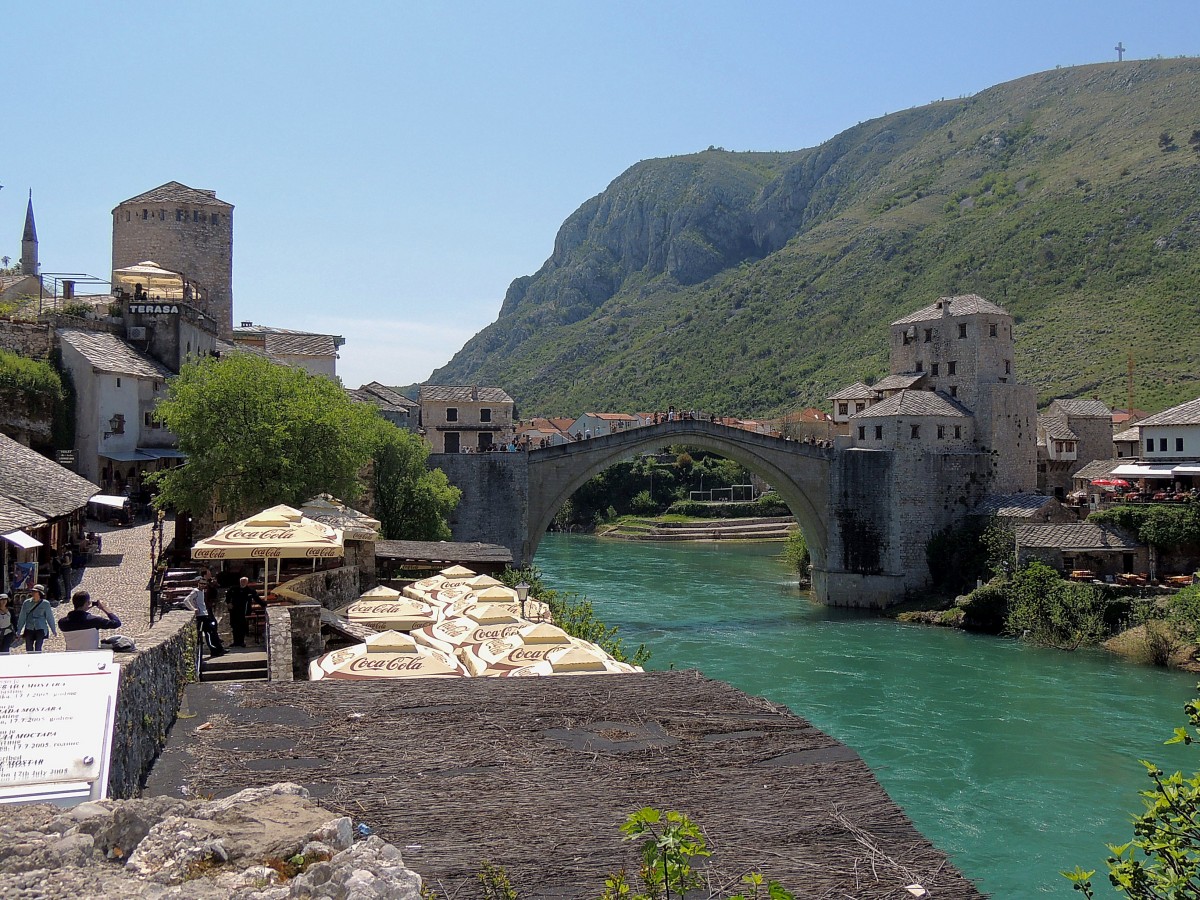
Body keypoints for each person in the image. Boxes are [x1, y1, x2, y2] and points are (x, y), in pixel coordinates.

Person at [183, 580, 225, 657]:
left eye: (204, 584)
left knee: (211, 631)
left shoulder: (203, 592)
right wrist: (193, 609)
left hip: (205, 614)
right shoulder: (195, 591)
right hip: (201, 616)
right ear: (198, 584)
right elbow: (186, 600)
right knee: (209, 632)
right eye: (201, 584)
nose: (203, 585)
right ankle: (215, 650)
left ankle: (218, 649)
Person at [58, 590, 122, 633]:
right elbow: (116, 623)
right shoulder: (95, 620)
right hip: (91, 650)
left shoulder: (62, 623)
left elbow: (77, 620)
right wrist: (104, 608)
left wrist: (83, 609)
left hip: (72, 651)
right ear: (87, 603)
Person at [16, 584, 57, 652]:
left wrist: (53, 629)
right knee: (29, 648)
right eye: (33, 591)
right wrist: (19, 630)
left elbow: (49, 617)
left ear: (39, 593)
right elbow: (22, 617)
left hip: (40, 628)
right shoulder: (27, 603)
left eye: (35, 592)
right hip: (29, 627)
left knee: (38, 648)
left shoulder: (45, 604)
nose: (33, 593)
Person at [228, 576, 261, 647]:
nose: (243, 583)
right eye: (241, 581)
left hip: (244, 611)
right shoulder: (234, 589)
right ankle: (235, 642)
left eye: (244, 581)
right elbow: (228, 596)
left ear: (247, 582)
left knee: (242, 627)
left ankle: (241, 641)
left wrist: (264, 604)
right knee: (234, 626)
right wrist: (228, 603)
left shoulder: (250, 591)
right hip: (234, 610)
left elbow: (257, 599)